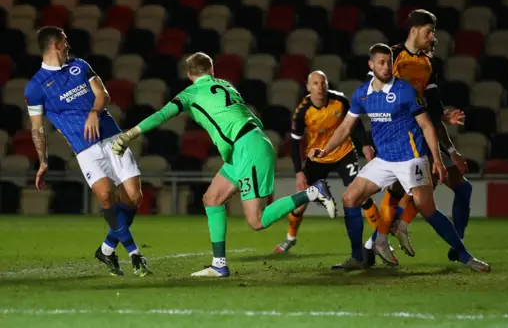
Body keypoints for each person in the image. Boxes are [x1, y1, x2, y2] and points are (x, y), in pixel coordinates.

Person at [111, 52, 336, 278]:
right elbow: (250, 117)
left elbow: (161, 115)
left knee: (256, 221)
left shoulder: (192, 91)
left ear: (190, 75)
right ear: (212, 71)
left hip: (247, 149)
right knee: (212, 199)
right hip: (246, 146)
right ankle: (219, 264)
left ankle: (312, 192)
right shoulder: (225, 85)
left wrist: (130, 134)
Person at [309, 43, 490, 273]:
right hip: (385, 160)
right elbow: (345, 128)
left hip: (410, 158)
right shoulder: (362, 94)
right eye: (381, 62)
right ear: (371, 65)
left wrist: (436, 159)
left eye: (389, 62)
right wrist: (324, 150)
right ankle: (358, 256)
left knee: (427, 209)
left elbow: (426, 126)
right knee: (349, 199)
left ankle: (466, 257)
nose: (386, 67)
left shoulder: (404, 90)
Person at [24, 26, 150, 277]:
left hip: (113, 138)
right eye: (65, 41)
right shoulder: (35, 88)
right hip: (85, 149)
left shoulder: (80, 66)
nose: (69, 45)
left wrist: (94, 112)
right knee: (105, 198)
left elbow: (103, 94)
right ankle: (135, 254)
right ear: (56, 45)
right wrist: (42, 161)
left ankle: (106, 249)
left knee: (134, 198)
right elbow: (37, 129)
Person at [370, 10, 474, 263]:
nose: (432, 37)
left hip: (423, 135)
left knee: (458, 188)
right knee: (404, 193)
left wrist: (450, 148)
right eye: (429, 32)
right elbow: (373, 95)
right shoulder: (392, 57)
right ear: (414, 30)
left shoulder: (428, 64)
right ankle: (377, 242)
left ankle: (453, 244)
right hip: (398, 138)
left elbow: (433, 109)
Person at [273, 70, 382, 270]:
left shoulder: (340, 101)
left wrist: (364, 144)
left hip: (343, 153)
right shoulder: (302, 111)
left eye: (323, 83)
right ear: (308, 88)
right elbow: (295, 143)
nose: (320, 87)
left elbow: (354, 124)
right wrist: (299, 171)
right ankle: (290, 237)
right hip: (317, 157)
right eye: (315, 83)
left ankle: (382, 239)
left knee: (360, 195)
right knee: (301, 199)